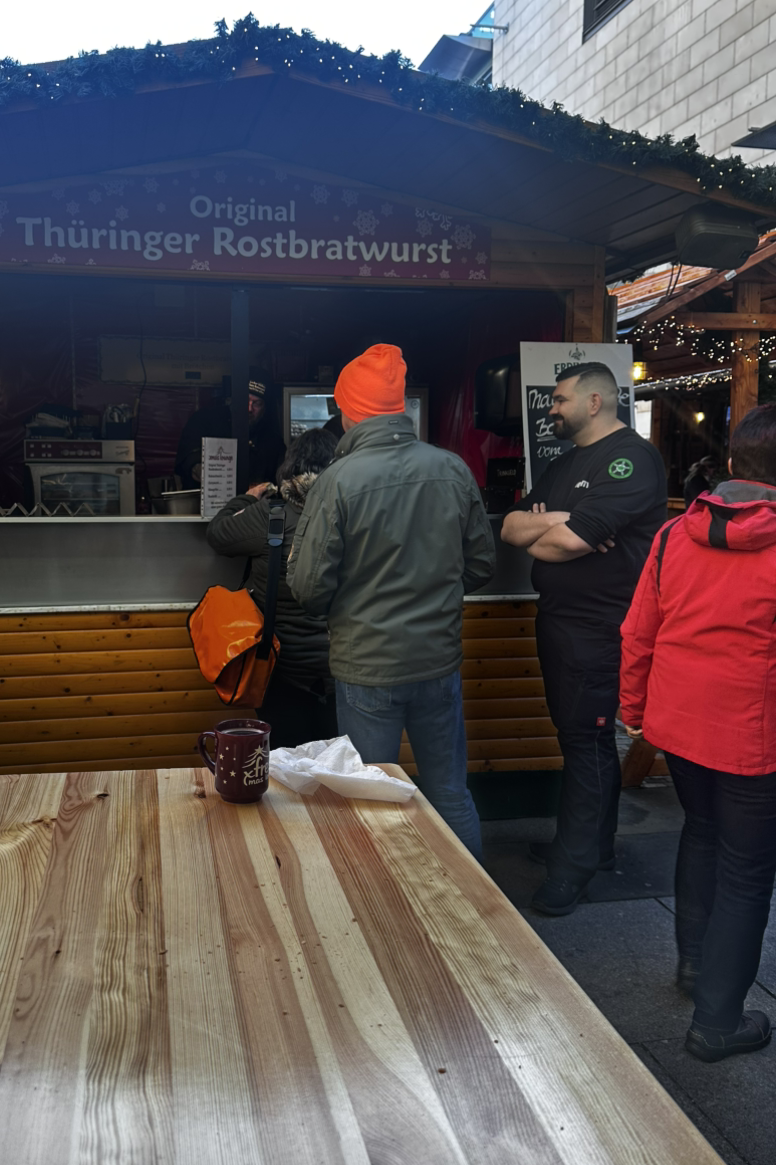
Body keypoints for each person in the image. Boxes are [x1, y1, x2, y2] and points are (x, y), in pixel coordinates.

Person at [287, 344, 495, 859]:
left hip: (367, 665)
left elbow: (309, 589)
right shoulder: (452, 468)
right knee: (450, 792)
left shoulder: (338, 480)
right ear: (398, 406)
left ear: (347, 410)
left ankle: (380, 901)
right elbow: (481, 565)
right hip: (438, 661)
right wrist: (434, 596)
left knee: (369, 796)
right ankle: (474, 899)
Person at [620, 404, 776, 1063]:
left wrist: (634, 710)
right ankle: (717, 1022)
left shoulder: (672, 535)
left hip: (677, 722)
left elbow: (639, 632)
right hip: (752, 733)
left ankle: (693, 967)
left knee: (703, 833)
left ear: (733, 464)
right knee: (747, 870)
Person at [501, 361, 667, 916]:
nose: (550, 409)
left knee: (587, 742)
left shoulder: (631, 460)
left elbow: (563, 545)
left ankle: (573, 868)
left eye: (559, 399)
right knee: (580, 739)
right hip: (561, 623)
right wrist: (562, 519)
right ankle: (593, 847)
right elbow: (512, 528)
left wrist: (555, 528)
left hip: (600, 628)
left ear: (594, 402)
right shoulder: (565, 462)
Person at [206, 428, 339, 748]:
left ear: (290, 466)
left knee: (285, 765)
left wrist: (247, 498)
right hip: (341, 669)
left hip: (281, 669)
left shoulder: (269, 514)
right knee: (338, 768)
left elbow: (218, 534)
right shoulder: (352, 513)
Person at [175, 369, 285, 490]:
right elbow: (188, 459)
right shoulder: (204, 420)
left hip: (256, 500)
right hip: (206, 498)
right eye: (245, 400)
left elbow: (283, 476)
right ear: (234, 399)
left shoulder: (272, 439)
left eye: (257, 403)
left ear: (264, 408)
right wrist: (208, 474)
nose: (249, 408)